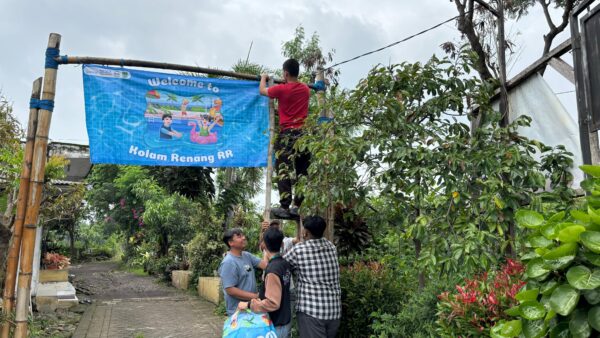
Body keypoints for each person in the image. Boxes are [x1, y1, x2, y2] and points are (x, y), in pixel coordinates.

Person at [260, 59, 310, 219]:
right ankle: (297, 206)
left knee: (284, 170)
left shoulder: (281, 90)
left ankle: (285, 206)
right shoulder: (305, 89)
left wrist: (263, 77)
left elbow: (263, 90)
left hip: (287, 134)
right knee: (302, 172)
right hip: (304, 136)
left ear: (286, 73)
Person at [283, 216, 341, 338]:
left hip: (311, 312)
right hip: (334, 311)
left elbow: (280, 265)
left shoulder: (300, 250)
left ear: (306, 232)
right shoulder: (332, 247)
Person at [238, 227, 292, 338]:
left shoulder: (273, 270)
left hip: (275, 326)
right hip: (285, 320)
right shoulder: (284, 263)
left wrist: (248, 304)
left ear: (264, 246)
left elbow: (273, 303)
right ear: (282, 244)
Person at [218, 228, 267, 316]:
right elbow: (230, 290)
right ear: (231, 243)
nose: (244, 238)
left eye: (243, 235)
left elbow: (265, 265)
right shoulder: (228, 262)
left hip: (251, 307)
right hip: (238, 311)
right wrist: (256, 296)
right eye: (239, 236)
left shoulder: (246, 255)